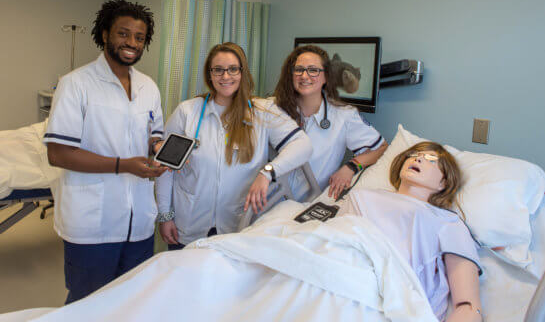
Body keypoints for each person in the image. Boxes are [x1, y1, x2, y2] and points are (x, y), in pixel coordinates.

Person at [44, 0, 167, 303]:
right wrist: (123, 165)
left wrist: (159, 149)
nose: (132, 43)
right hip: (92, 224)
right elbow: (58, 153)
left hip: (138, 223)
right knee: (88, 304)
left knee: (131, 300)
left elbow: (155, 135)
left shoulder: (148, 87)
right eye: (123, 33)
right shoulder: (75, 84)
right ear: (104, 35)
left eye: (139, 37)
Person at [156, 42, 312, 249]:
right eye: (218, 70)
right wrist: (165, 215)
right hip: (189, 222)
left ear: (242, 72)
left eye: (232, 69)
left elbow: (303, 145)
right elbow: (166, 169)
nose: (225, 76)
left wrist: (267, 172)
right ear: (209, 74)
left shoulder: (262, 112)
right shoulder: (187, 112)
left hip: (237, 225)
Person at [338, 141, 482, 322]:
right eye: (413, 155)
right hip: (338, 279)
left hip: (388, 301)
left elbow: (468, 306)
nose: (419, 158)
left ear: (443, 182)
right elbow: (331, 242)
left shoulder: (447, 222)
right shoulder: (360, 197)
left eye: (431, 159)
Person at [273, 45, 388, 201]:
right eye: (298, 69)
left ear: (326, 76)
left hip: (305, 204)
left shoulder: (344, 115)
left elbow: (381, 148)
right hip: (265, 200)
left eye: (313, 70)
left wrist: (351, 167)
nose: (304, 76)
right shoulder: (273, 109)